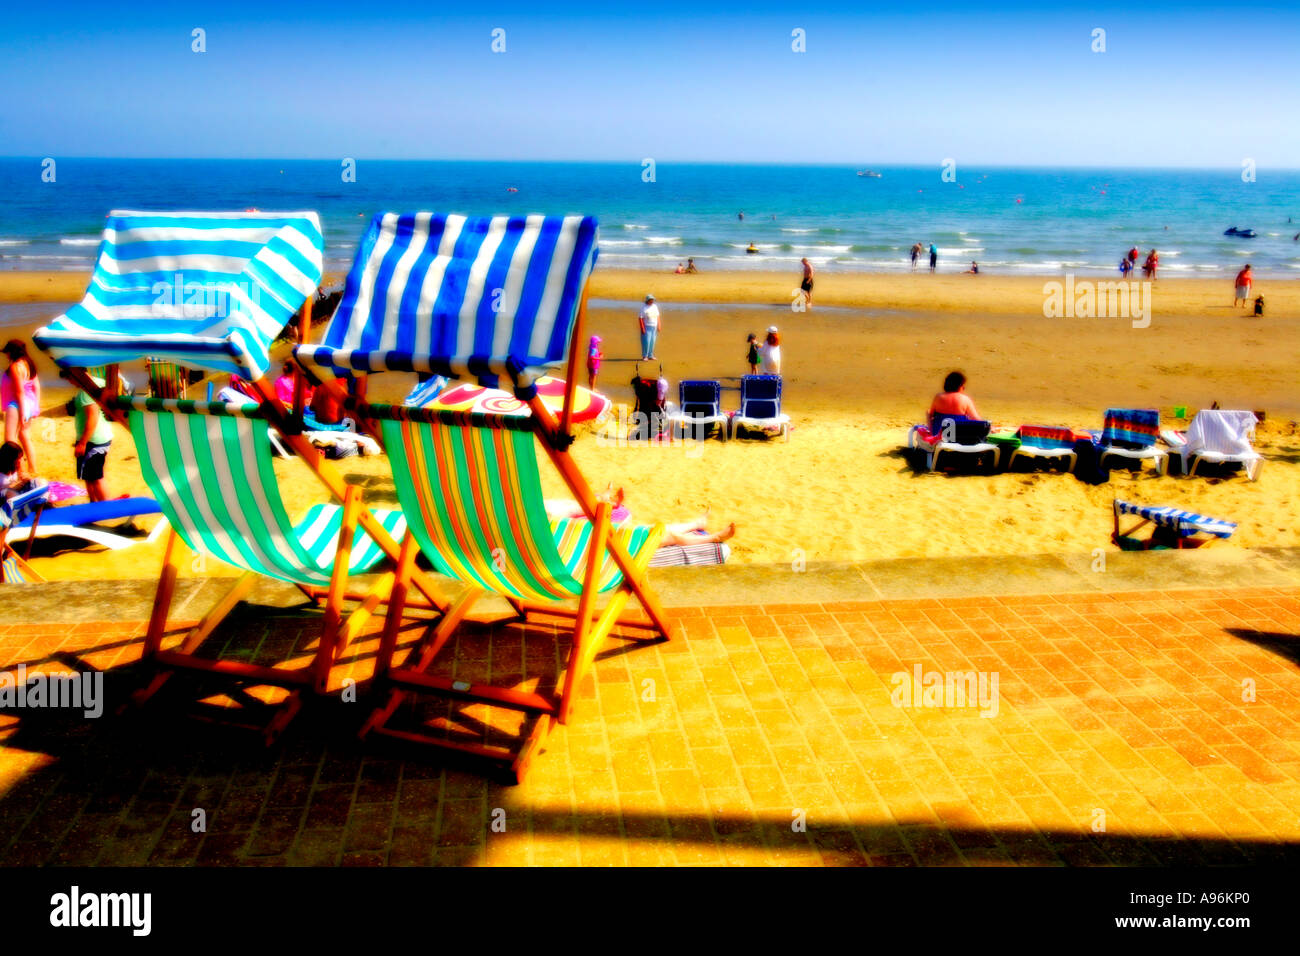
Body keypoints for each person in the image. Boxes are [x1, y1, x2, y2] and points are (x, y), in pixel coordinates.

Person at [2, 339, 41, 478]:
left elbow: (19, 391)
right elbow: (36, 386)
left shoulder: (15, 366)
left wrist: (23, 411)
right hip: (29, 403)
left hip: (17, 405)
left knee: (10, 440)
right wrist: (36, 407)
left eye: (7, 352)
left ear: (11, 352)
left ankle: (21, 471)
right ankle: (33, 468)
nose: (6, 355)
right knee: (25, 437)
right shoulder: (29, 364)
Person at [72, 373, 113, 502]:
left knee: (94, 478)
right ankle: (96, 504)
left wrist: (82, 443)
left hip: (92, 440)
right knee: (92, 476)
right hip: (103, 436)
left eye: (69, 378)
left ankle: (103, 507)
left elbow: (92, 417)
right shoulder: (99, 382)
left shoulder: (86, 391)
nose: (70, 383)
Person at [638, 294, 660, 360]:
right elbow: (640, 318)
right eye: (651, 300)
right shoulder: (643, 307)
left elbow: (658, 316)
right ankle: (645, 356)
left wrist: (659, 325)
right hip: (647, 327)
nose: (652, 301)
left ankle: (650, 355)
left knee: (652, 342)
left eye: (653, 300)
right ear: (647, 300)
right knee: (646, 342)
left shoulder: (655, 306)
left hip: (654, 327)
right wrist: (642, 328)